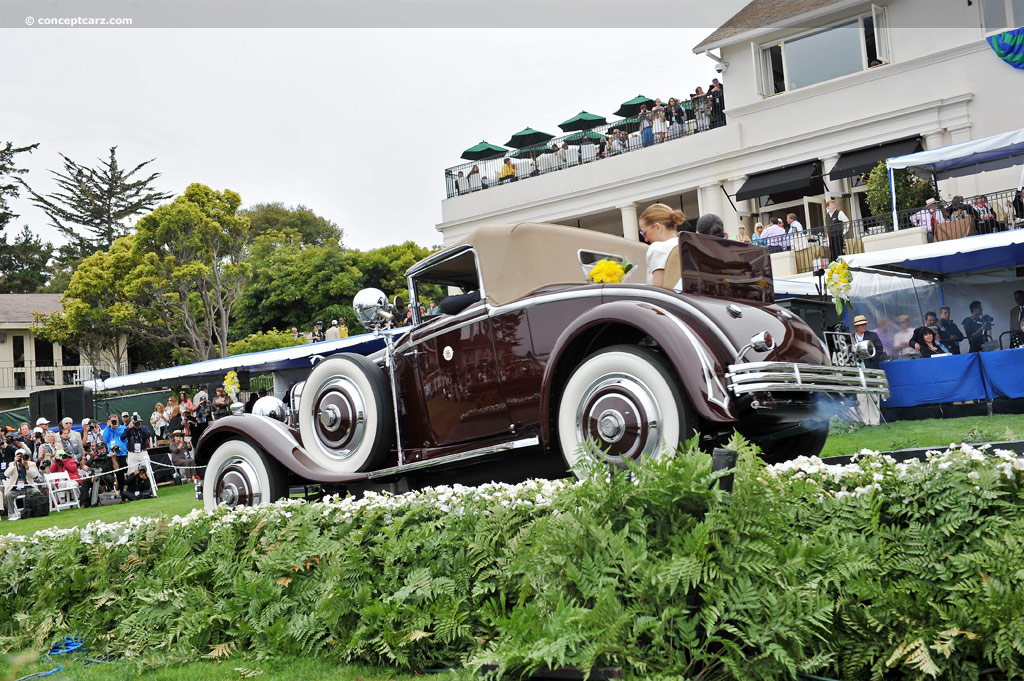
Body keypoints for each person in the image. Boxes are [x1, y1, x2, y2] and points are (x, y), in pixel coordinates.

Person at [638, 203, 685, 288]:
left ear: (657, 227)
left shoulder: (657, 248)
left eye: (645, 233)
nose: (646, 239)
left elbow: (658, 290)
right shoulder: (686, 245)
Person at [851, 315, 884, 426]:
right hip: (858, 370)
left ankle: (875, 421)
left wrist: (870, 356)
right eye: (861, 324)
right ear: (856, 326)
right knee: (861, 397)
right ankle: (865, 421)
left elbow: (880, 350)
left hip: (871, 369)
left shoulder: (872, 335)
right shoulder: (851, 337)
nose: (864, 326)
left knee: (874, 395)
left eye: (865, 324)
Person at [4, 449, 41, 520]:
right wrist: (14, 463)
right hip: (16, 488)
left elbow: (34, 475)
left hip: (28, 486)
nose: (21, 457)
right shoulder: (12, 464)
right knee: (8, 495)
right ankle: (12, 514)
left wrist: (27, 466)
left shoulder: (31, 464)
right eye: (19, 456)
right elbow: (6, 474)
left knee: (36, 492)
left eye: (22, 455)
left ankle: (37, 510)